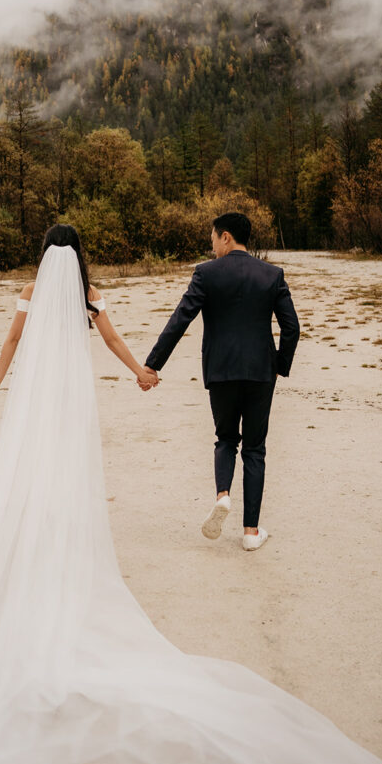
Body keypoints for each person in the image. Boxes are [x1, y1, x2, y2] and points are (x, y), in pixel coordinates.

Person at [0, 223, 382, 764]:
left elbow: (14, 339)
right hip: (83, 402)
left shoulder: (31, 291)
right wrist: (143, 372)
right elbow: (114, 336)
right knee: (118, 463)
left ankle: (47, 533)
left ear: (44, 254)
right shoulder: (87, 294)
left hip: (41, 403)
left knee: (36, 465)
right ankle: (194, 526)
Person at [142, 211, 300, 551]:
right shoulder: (272, 274)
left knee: (226, 438)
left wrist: (153, 364)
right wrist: (279, 366)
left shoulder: (206, 274)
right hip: (260, 372)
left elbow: (180, 319)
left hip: (221, 370)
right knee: (255, 449)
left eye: (213, 237)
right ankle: (250, 532)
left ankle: (223, 495)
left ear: (226, 236)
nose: (211, 244)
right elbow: (292, 327)